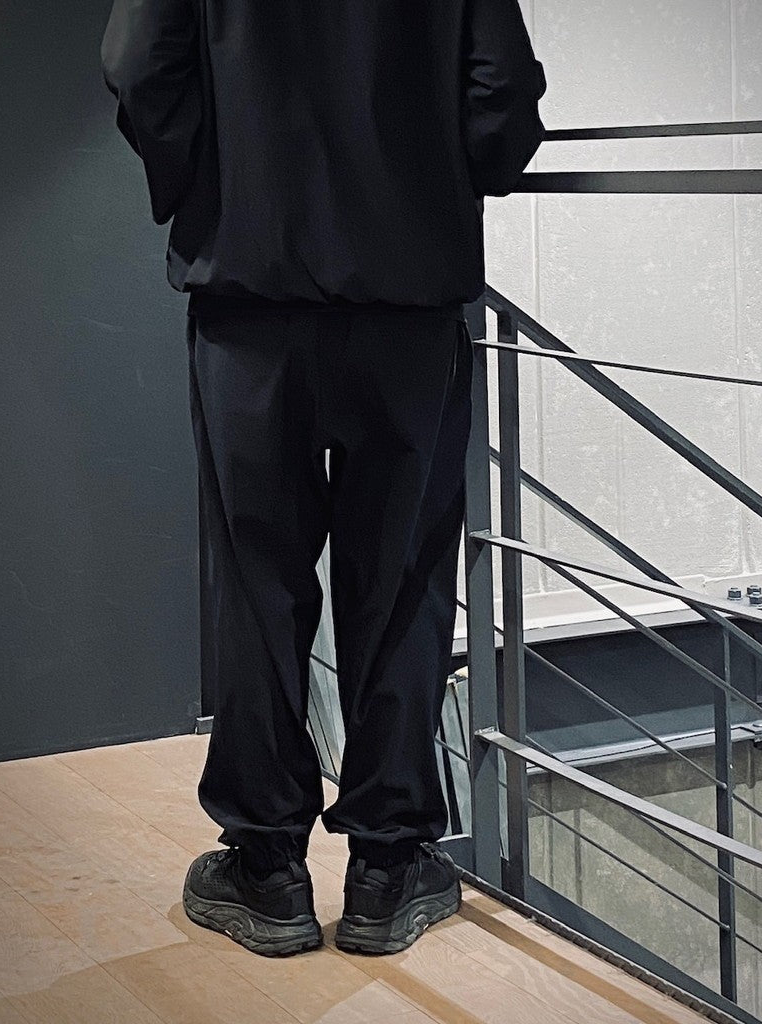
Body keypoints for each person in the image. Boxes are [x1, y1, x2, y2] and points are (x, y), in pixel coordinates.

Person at [101, 0, 547, 957]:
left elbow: (140, 64)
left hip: (248, 295)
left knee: (255, 579)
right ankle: (389, 866)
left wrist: (210, 178)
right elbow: (503, 89)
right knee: (403, 580)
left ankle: (267, 868)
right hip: (407, 298)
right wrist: (445, 176)